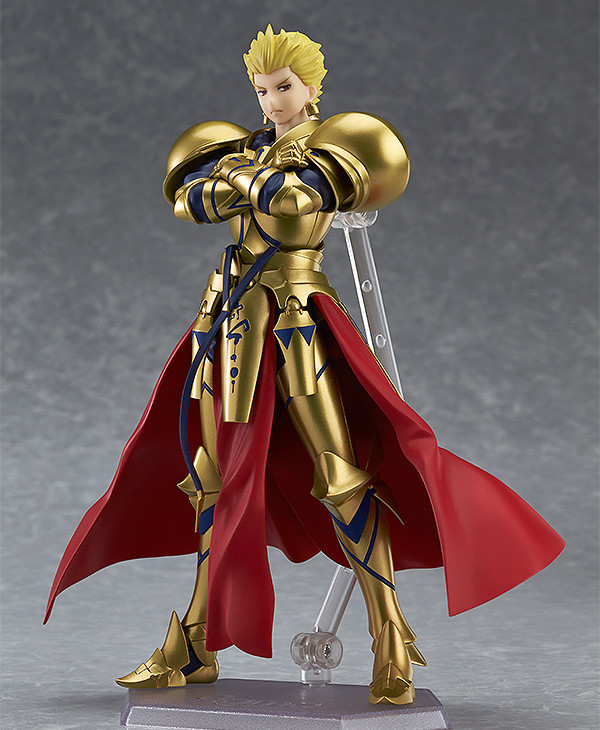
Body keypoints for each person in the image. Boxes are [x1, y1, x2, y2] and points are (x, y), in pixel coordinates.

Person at [45, 26, 564, 706]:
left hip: (295, 320)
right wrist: (250, 180)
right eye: (261, 89)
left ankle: (391, 638)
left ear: (312, 87)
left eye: (283, 87)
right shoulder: (244, 145)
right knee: (209, 478)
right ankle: (197, 643)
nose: (271, 101)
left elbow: (293, 203)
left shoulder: (333, 144)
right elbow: (189, 202)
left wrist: (239, 182)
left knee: (341, 474)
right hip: (227, 321)